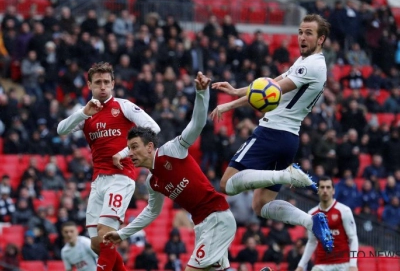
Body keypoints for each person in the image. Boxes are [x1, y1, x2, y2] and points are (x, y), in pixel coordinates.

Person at [210, 14, 333, 252]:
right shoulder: (307, 61)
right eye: (300, 32)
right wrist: (235, 93)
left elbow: (270, 90)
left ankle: (286, 176)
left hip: (271, 133)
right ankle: (311, 220)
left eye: (308, 33)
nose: (302, 37)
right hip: (289, 139)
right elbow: (271, 82)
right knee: (261, 205)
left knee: (226, 184)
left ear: (321, 39)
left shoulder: (312, 64)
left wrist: (230, 103)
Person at [103, 72, 237, 271]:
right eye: (129, 148)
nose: (130, 153)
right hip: (202, 225)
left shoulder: (172, 150)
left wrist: (201, 94)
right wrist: (123, 234)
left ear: (149, 147)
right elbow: (151, 212)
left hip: (216, 218)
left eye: (134, 147)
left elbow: (197, 124)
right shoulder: (152, 182)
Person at [57, 62, 160, 271]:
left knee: (106, 233)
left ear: (113, 84)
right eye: (98, 82)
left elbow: (153, 128)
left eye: (106, 82)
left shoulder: (124, 106)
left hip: (121, 177)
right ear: (89, 85)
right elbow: (61, 130)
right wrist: (83, 112)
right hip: (98, 181)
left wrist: (125, 152)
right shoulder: (87, 113)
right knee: (97, 244)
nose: (102, 86)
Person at [295, 177, 359, 271]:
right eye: (322, 187)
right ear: (318, 190)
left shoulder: (344, 210)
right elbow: (312, 242)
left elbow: (353, 238)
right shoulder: (312, 214)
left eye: (328, 187)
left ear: (333, 191)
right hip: (321, 265)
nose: (325, 190)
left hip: (343, 264)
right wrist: (301, 266)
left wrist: (353, 264)